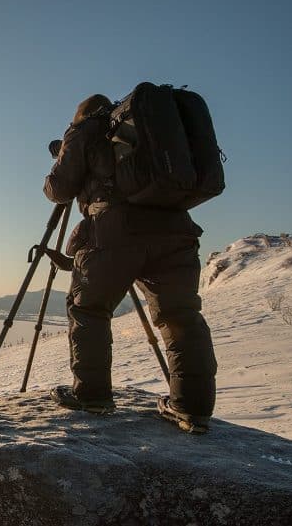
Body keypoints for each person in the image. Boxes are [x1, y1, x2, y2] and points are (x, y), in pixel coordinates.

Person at [43, 94, 217, 434]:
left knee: (89, 308)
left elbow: (58, 189)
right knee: (181, 315)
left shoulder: (87, 128)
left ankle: (92, 395)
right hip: (177, 232)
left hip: (116, 234)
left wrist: (67, 148)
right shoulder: (147, 133)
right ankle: (192, 407)